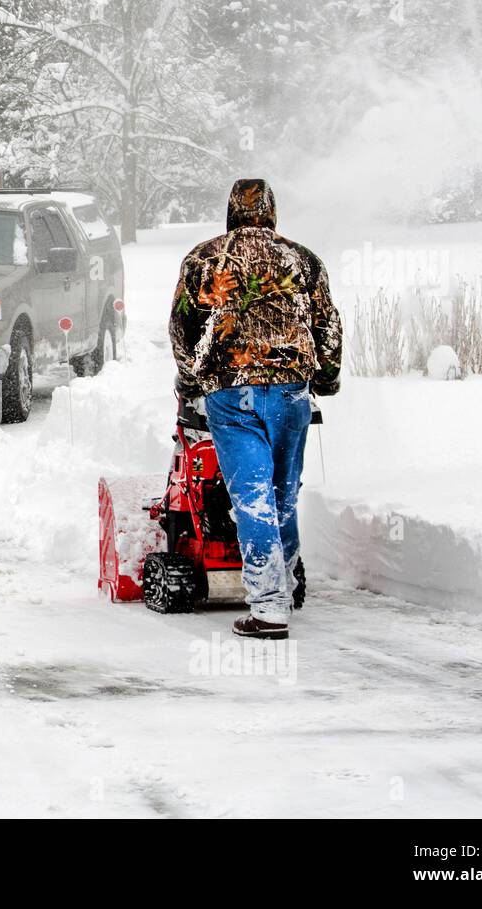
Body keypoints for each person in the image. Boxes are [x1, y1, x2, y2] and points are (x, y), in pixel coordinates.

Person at [169, 179, 342, 640]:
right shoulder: (302, 259)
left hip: (232, 392)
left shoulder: (205, 258)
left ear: (230, 212)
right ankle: (282, 586)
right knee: (283, 496)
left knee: (252, 498)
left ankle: (268, 608)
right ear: (271, 212)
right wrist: (326, 377)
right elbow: (326, 324)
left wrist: (192, 381)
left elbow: (183, 327)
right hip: (290, 391)